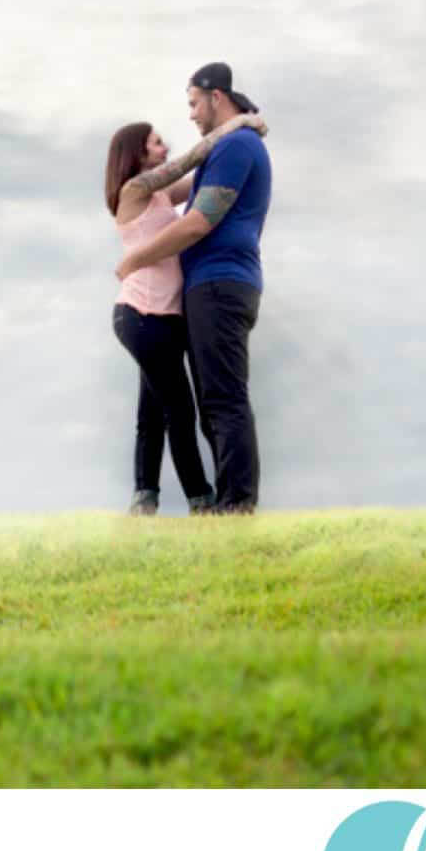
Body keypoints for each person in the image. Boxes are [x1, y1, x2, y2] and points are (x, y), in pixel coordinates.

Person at [116, 62, 273, 514]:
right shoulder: (220, 151)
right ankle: (222, 504)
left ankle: (235, 506)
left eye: (192, 103)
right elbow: (184, 171)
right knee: (207, 403)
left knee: (222, 399)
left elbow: (198, 223)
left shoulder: (237, 146)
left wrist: (134, 260)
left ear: (215, 96)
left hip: (221, 285)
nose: (189, 115)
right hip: (205, 288)